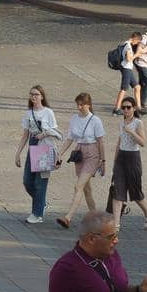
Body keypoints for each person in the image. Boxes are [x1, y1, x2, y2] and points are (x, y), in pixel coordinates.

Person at [54, 92, 107, 229]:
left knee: (78, 186)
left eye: (81, 104)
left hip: (92, 153)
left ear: (88, 105)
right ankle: (97, 219)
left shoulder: (95, 120)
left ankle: (68, 217)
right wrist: (60, 153)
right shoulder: (74, 119)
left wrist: (103, 160)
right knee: (86, 189)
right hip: (79, 153)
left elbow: (101, 142)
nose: (79, 107)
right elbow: (70, 138)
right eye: (77, 104)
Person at [15, 85, 62, 224]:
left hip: (45, 147)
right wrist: (18, 153)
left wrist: (45, 133)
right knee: (27, 181)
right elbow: (25, 135)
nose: (34, 97)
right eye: (31, 94)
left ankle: (37, 214)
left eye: (36, 94)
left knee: (40, 183)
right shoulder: (28, 113)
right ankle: (41, 203)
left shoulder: (48, 112)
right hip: (33, 144)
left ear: (42, 96)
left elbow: (55, 131)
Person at [107, 100, 147, 228]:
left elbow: (143, 142)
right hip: (121, 158)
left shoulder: (138, 123)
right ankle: (116, 224)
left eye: (128, 107)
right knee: (118, 191)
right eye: (123, 108)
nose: (126, 110)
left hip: (133, 158)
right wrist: (115, 161)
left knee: (135, 192)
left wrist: (131, 132)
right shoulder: (121, 123)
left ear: (134, 108)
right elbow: (119, 142)